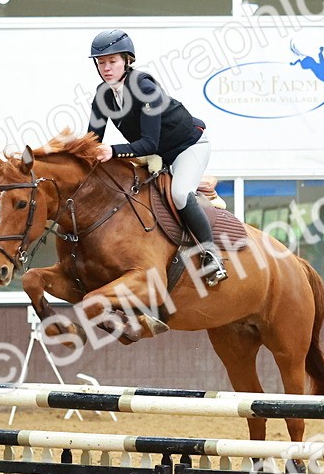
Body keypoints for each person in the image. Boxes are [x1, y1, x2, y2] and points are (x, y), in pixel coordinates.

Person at [85, 29, 228, 286]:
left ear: (127, 61)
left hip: (187, 147)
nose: (106, 68)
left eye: (112, 61)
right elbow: (92, 140)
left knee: (180, 194)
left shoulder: (144, 87)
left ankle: (212, 255)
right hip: (156, 154)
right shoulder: (102, 95)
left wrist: (113, 151)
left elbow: (149, 143)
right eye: (101, 62)